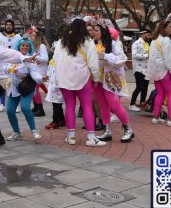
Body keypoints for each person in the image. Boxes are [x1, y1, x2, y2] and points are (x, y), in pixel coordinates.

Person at [53, 18, 106, 147]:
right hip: (83, 78)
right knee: (87, 106)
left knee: (70, 106)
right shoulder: (88, 42)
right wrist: (96, 78)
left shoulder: (61, 42)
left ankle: (71, 137)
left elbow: (55, 60)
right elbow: (93, 64)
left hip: (64, 78)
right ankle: (91, 138)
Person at [91, 21, 134, 143]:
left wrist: (105, 56)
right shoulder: (94, 45)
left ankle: (128, 129)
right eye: (92, 30)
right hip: (98, 79)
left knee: (114, 105)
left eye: (96, 30)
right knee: (103, 105)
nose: (93, 32)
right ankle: (107, 130)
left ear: (103, 32)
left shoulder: (115, 44)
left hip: (111, 79)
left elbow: (121, 60)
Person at [146, 18, 171, 127]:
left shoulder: (154, 40)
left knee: (160, 93)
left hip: (156, 72)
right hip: (165, 71)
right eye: (170, 27)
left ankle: (156, 117)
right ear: (164, 28)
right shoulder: (166, 40)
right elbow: (169, 58)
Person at [5, 38, 43, 141]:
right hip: (13, 88)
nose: (25, 47)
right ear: (18, 46)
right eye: (23, 45)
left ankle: (34, 130)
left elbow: (35, 74)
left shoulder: (30, 60)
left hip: (26, 88)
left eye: (27, 45)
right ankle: (16, 132)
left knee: (25, 108)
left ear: (30, 47)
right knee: (9, 111)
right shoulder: (11, 59)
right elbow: (4, 70)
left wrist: (41, 79)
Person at [0, 19, 22, 112]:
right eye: (7, 25)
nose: (8, 26)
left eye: (10, 25)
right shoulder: (0, 37)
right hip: (3, 63)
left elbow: (20, 49)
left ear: (13, 26)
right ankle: (2, 104)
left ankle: (17, 104)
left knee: (15, 83)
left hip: (14, 63)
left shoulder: (18, 37)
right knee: (3, 84)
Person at [130, 29, 152, 111]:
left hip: (147, 69)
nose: (149, 37)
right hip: (139, 69)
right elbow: (135, 55)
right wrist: (147, 55)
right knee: (139, 87)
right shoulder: (136, 43)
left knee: (145, 87)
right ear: (144, 34)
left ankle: (142, 102)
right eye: (148, 35)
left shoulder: (147, 44)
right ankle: (131, 104)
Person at [29, 28, 49, 117]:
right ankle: (36, 107)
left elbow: (46, 59)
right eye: (31, 35)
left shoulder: (41, 46)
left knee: (35, 89)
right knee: (33, 88)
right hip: (36, 69)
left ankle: (41, 109)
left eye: (33, 35)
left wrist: (35, 58)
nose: (31, 36)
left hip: (41, 70)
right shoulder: (35, 46)